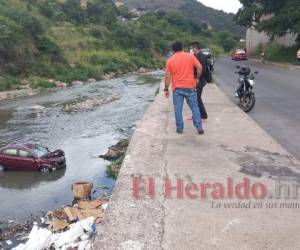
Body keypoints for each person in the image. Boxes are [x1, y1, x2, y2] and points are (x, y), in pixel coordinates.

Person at [165, 42, 204, 135]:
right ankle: (199, 127)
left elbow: (167, 77)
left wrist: (166, 89)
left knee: (178, 109)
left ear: (173, 50)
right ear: (182, 48)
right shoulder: (190, 56)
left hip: (177, 88)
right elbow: (199, 67)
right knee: (195, 107)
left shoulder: (170, 60)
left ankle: (179, 128)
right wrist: (197, 78)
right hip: (190, 86)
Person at [190, 41, 208, 120]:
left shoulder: (201, 56)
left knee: (197, 98)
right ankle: (201, 114)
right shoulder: (196, 55)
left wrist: (197, 78)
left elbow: (202, 69)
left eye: (192, 48)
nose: (191, 49)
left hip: (200, 80)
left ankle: (202, 115)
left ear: (195, 48)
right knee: (197, 97)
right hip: (199, 79)